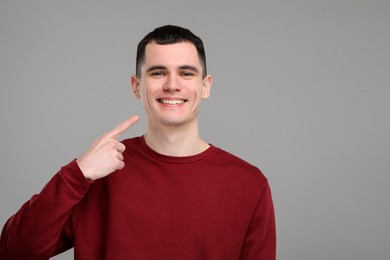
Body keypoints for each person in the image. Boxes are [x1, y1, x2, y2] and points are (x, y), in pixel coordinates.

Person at [0, 25, 276, 259]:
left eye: (186, 73)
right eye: (157, 73)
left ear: (205, 86)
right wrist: (76, 174)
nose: (172, 85)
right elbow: (14, 252)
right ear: (136, 86)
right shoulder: (97, 174)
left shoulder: (249, 184)